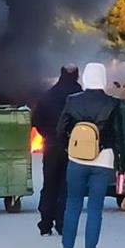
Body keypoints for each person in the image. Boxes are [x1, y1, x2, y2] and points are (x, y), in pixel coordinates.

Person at [55, 63, 125, 248]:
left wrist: (68, 149)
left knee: (73, 204)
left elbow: (60, 129)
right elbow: (119, 137)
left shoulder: (72, 100)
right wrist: (123, 166)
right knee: (95, 207)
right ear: (102, 78)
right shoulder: (112, 103)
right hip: (103, 160)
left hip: (76, 159)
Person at [33, 64, 81, 236]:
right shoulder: (79, 96)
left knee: (49, 185)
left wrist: (47, 135)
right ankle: (62, 224)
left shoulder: (48, 95)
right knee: (66, 187)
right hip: (73, 146)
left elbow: (36, 120)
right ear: (76, 75)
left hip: (51, 146)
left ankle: (45, 225)